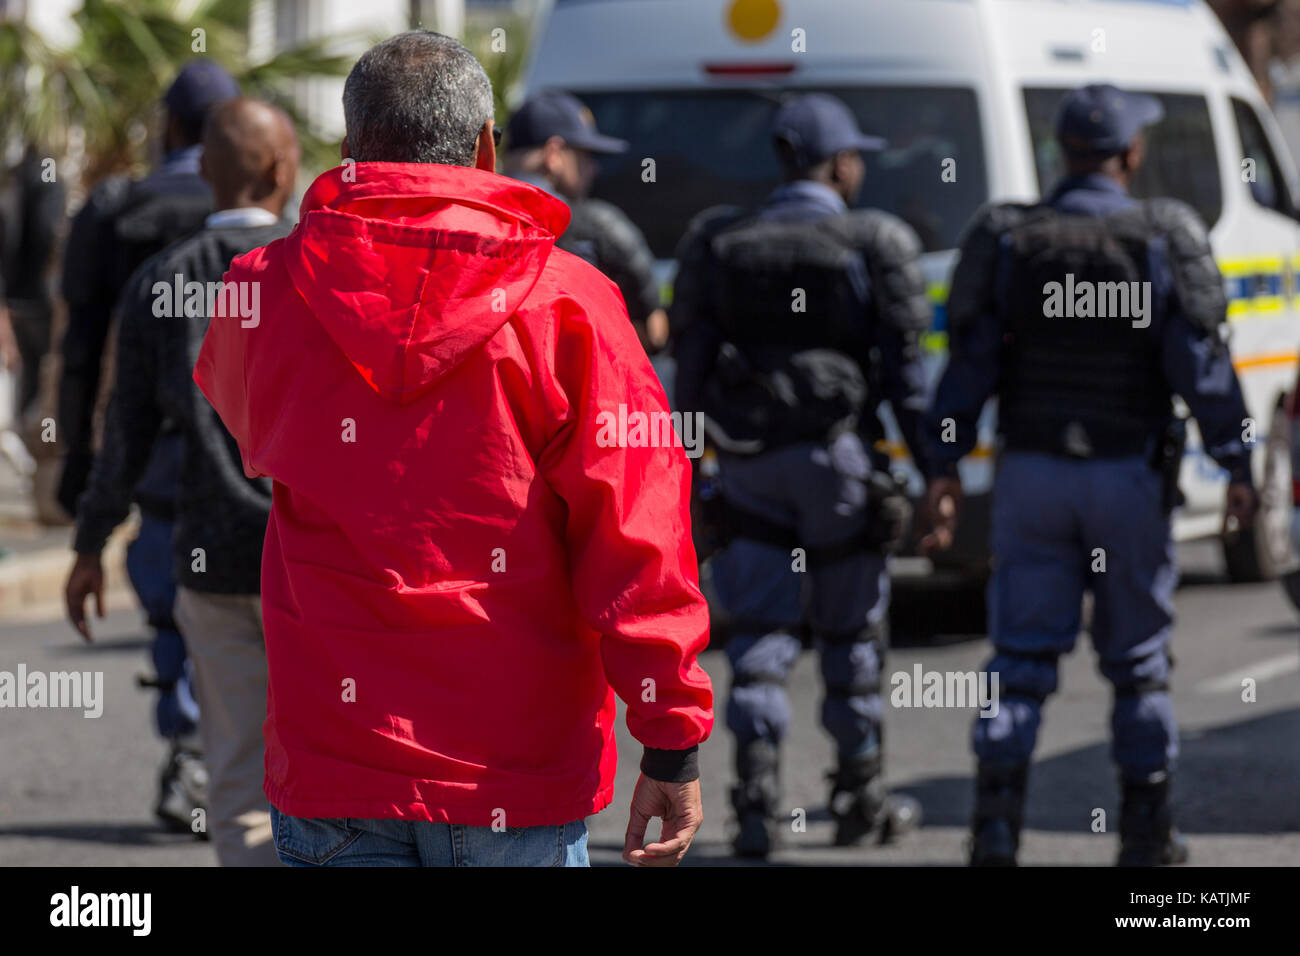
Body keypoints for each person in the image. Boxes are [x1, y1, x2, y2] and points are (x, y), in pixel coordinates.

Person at [194, 31, 713, 868]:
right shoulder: (572, 304)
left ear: (352, 150)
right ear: (484, 148)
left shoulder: (261, 290)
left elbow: (251, 430)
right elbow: (640, 535)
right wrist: (670, 739)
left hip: (337, 758)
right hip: (515, 776)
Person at [921, 84, 1260, 867]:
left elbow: (965, 373)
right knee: (1139, 665)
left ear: (1061, 154)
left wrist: (940, 468)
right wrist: (1240, 467)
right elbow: (1204, 372)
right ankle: (1147, 838)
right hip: (1127, 479)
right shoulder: (1162, 235)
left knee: (1020, 659)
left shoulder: (1009, 238)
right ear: (1131, 155)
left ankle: (996, 830)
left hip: (1034, 477)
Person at [671, 93, 930, 858]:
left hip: (748, 466)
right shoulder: (873, 239)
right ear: (841, 163)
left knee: (756, 637)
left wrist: (688, 474)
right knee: (851, 634)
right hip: (840, 465)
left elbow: (688, 373)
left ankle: (754, 808)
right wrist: (933, 468)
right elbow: (908, 377)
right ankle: (860, 799)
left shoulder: (719, 242)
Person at [66, 98, 299, 865]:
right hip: (317, 564)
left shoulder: (159, 284)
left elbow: (124, 434)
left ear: (204, 170)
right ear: (283, 169)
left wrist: (90, 546)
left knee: (235, 771)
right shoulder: (324, 272)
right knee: (332, 766)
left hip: (211, 559)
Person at [57, 59, 240, 826]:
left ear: (170, 125)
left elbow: (79, 344)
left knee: (174, 593)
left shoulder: (117, 209)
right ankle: (216, 749)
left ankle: (194, 736)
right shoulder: (265, 212)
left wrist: (78, 462)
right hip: (250, 448)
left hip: (161, 445)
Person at [503, 91, 669, 352]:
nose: (594, 169)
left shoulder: (467, 215)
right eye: (585, 156)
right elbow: (654, 332)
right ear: (553, 154)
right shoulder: (599, 226)